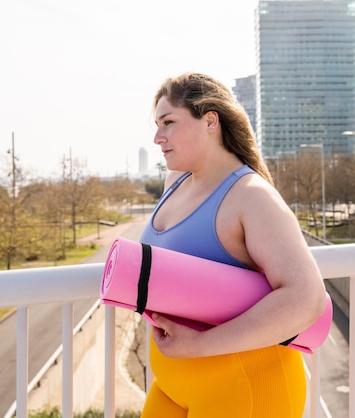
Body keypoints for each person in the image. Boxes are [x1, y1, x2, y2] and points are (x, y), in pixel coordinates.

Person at [139, 72, 327, 417]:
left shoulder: (252, 197)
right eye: (157, 124)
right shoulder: (175, 182)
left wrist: (199, 345)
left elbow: (306, 298)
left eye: (168, 122)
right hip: (173, 385)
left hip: (246, 389)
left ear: (210, 120)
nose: (157, 137)